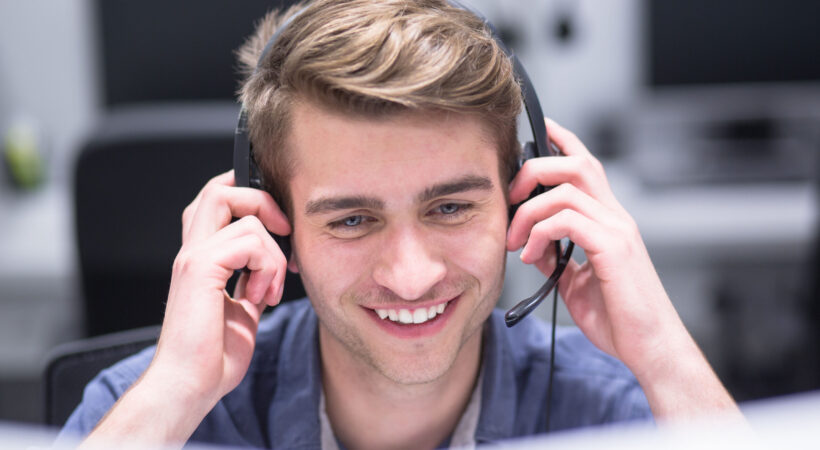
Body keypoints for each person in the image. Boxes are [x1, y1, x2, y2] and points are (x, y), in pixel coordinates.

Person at [60, 0, 740, 448]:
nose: (412, 276)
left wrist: (663, 353)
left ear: (521, 200)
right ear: (275, 227)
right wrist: (176, 393)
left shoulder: (617, 418)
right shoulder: (155, 415)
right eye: (353, 220)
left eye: (449, 207)